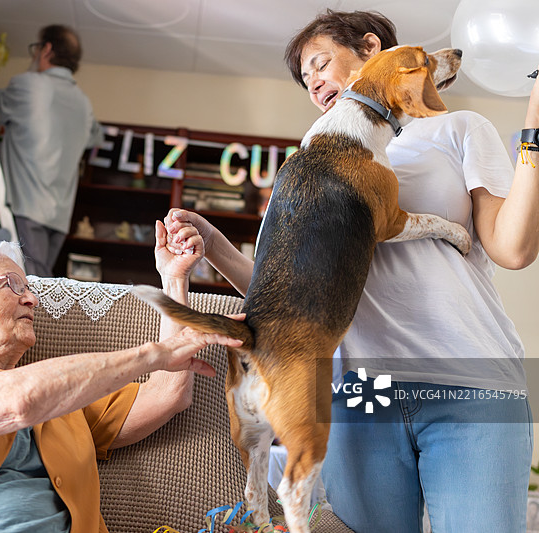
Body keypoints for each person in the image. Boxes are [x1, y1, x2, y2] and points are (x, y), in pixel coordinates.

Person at [163, 9, 539, 533]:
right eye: (305, 79)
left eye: (320, 64)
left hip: (468, 380)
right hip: (362, 397)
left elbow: (514, 249)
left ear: (371, 49)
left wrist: (534, 135)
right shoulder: (306, 166)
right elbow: (282, 299)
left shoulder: (455, 129)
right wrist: (214, 246)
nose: (314, 82)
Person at [0, 234, 241, 533]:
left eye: (29, 288)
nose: (32, 299)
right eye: (11, 285)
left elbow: (168, 394)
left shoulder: (63, 399)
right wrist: (154, 353)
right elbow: (15, 403)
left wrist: (174, 278)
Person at [0, 24, 103, 276]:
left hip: (27, 204)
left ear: (46, 49)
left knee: (28, 285)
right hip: (60, 214)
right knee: (37, 281)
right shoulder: (84, 103)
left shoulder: (28, 84)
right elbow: (95, 136)